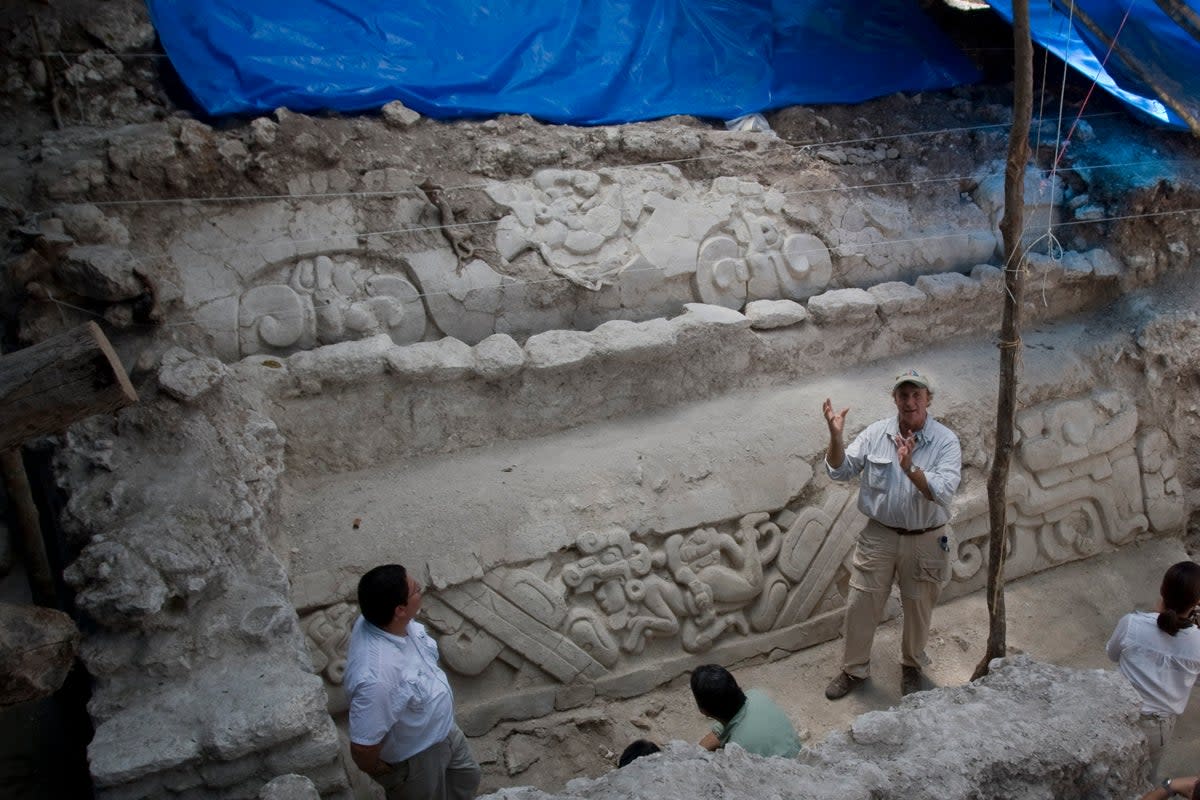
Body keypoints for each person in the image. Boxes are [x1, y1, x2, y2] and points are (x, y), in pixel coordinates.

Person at [821, 369, 962, 700]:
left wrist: (911, 467)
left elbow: (942, 491)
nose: (910, 402)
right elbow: (839, 470)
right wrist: (836, 437)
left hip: (926, 537)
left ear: (928, 399)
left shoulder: (945, 441)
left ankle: (911, 666)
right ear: (894, 399)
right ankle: (853, 669)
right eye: (903, 395)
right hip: (879, 535)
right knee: (861, 603)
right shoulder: (875, 434)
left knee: (918, 605)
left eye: (917, 395)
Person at [344, 564, 481, 800]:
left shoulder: (382, 621)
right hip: (417, 757)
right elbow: (362, 747)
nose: (421, 589)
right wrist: (382, 771)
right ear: (399, 610)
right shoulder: (378, 677)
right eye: (416, 589)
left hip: (444, 731)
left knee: (466, 777)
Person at [1107, 561, 1200, 782]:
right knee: (1146, 781)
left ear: (1162, 590)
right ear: (1196, 602)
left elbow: (1112, 654)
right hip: (1157, 727)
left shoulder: (1131, 623)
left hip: (1119, 715)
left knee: (1110, 779)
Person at [690, 664, 802, 758]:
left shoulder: (737, 751)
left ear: (703, 711)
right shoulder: (756, 695)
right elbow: (720, 731)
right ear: (739, 688)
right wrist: (699, 751)